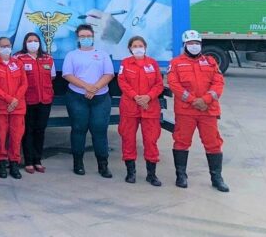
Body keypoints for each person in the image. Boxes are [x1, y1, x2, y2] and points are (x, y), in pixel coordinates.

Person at [167, 30, 229, 192]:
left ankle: (217, 177)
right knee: (181, 141)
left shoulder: (211, 62)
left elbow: (218, 84)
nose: (194, 46)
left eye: (197, 43)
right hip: (186, 111)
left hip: (208, 111)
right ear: (184, 45)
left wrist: (206, 100)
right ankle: (181, 175)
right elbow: (174, 85)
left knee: (213, 143)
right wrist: (193, 100)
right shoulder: (175, 63)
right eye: (190, 43)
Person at [62, 24, 115, 178]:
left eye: (88, 36)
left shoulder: (103, 54)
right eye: (82, 36)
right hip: (77, 97)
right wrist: (87, 87)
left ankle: (103, 165)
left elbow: (109, 74)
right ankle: (78, 163)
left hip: (101, 98)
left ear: (93, 37)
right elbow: (67, 75)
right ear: (78, 38)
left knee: (99, 130)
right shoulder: (72, 55)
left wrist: (95, 88)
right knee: (79, 129)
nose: (86, 39)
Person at [118, 36, 164, 186]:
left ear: (145, 47)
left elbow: (159, 84)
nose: (138, 48)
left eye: (140, 45)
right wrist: (136, 97)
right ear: (130, 48)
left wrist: (148, 97)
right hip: (130, 107)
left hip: (149, 107)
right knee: (128, 139)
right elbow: (122, 82)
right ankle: (131, 173)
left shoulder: (152, 63)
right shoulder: (125, 63)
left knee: (151, 140)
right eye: (134, 45)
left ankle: (152, 174)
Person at [0, 37, 27, 179]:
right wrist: (10, 99)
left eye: (8, 46)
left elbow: (24, 84)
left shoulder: (18, 63)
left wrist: (15, 100)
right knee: (0, 136)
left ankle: (14, 163)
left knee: (16, 136)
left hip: (18, 107)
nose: (6, 48)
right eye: (3, 46)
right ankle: (1, 162)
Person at [17, 32, 55, 174]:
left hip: (44, 100)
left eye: (35, 40)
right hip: (27, 100)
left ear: (40, 43)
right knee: (28, 131)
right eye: (29, 41)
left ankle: (38, 160)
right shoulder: (19, 58)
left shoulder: (48, 58)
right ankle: (28, 161)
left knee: (40, 130)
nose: (33, 43)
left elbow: (52, 77)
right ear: (25, 43)